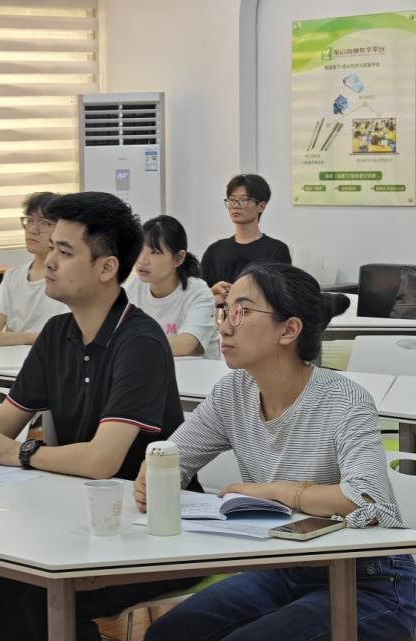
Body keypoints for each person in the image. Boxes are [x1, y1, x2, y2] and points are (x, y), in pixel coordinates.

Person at [0, 191, 199, 641]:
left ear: (106, 268)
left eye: (65, 251)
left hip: (151, 527)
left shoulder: (140, 342)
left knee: (34, 593)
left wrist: (20, 453)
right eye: (51, 248)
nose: (49, 261)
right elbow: (5, 420)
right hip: (76, 513)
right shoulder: (58, 332)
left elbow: (101, 461)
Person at [135, 263, 416, 641]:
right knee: (169, 634)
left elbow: (368, 500)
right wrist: (153, 477)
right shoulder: (232, 392)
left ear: (289, 330)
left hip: (369, 581)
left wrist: (272, 491)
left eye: (241, 311)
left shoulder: (344, 399)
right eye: (224, 310)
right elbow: (173, 458)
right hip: (284, 566)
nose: (224, 326)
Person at [0, 192, 67, 346]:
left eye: (44, 223)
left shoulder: (69, 279)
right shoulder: (13, 276)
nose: (33, 229)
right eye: (29, 220)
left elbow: (66, 334)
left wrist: (13, 338)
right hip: (11, 357)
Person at [125, 215, 219, 358]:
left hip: (197, 370)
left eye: (154, 252)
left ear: (178, 258)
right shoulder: (134, 288)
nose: (142, 260)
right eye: (139, 250)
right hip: (153, 369)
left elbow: (186, 345)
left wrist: (131, 345)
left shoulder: (198, 292)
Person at [201, 174, 291, 305]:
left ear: (261, 206)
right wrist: (212, 292)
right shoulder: (214, 250)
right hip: (220, 316)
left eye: (243, 200)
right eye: (232, 199)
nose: (235, 205)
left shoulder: (276, 250)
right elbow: (198, 298)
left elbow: (283, 297)